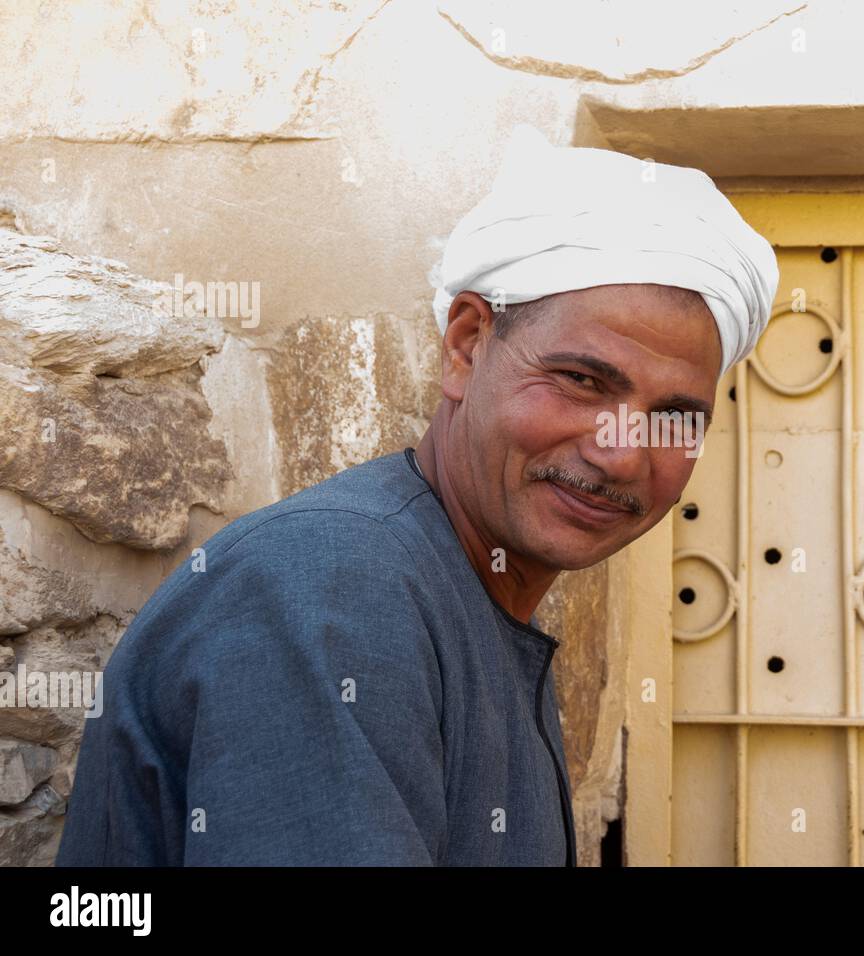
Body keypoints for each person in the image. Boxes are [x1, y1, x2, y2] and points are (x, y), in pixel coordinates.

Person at [54, 124, 779, 866]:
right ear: (466, 346)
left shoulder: (466, 597)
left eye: (675, 418)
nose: (621, 454)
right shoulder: (336, 582)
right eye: (583, 381)